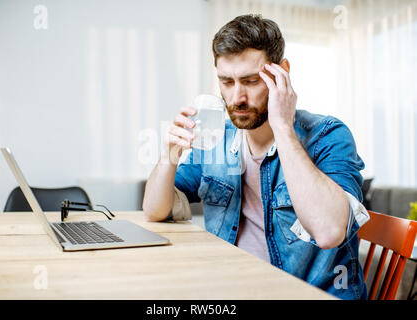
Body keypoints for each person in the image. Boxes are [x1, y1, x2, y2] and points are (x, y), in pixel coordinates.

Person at [143, 14, 370, 300]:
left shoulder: (328, 136)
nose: (237, 97)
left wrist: (283, 128)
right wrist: (169, 155)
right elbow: (154, 211)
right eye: (226, 82)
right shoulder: (217, 140)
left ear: (281, 73)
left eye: (250, 81)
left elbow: (328, 232)